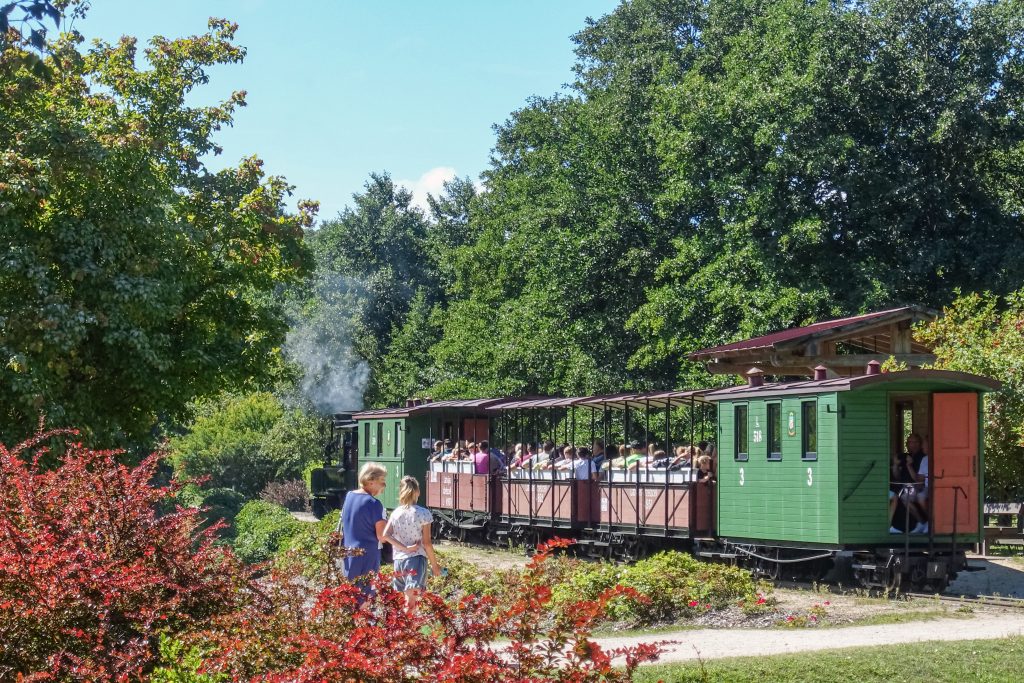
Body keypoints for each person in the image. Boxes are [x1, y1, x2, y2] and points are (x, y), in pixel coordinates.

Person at [382, 476, 441, 611]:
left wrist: (404, 548)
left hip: (398, 561)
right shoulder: (423, 513)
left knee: (405, 600)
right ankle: (406, 630)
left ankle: (403, 628)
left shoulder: (396, 513)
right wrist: (435, 565)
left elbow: (385, 535)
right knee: (411, 601)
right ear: (418, 492)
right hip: (415, 560)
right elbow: (426, 543)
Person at [339, 463, 391, 588]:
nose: (384, 485)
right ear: (371, 480)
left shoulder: (349, 496)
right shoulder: (374, 503)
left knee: (350, 594)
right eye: (382, 481)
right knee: (366, 596)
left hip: (348, 552)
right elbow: (382, 536)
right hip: (367, 555)